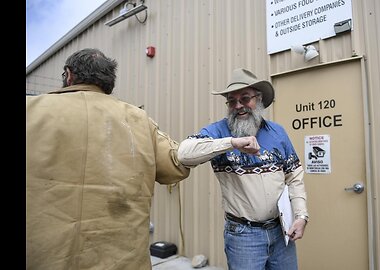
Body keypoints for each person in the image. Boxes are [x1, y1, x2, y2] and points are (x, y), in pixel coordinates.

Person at [26, 48, 190, 269]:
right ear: (109, 82)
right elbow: (174, 168)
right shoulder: (138, 119)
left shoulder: (31, 110)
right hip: (122, 262)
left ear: (69, 74)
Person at [177, 68, 309, 270]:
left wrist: (301, 216)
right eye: (232, 101)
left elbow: (294, 177)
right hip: (243, 235)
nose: (239, 106)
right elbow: (184, 153)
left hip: (281, 230)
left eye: (245, 98)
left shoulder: (278, 132)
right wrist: (232, 142)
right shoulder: (219, 131)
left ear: (259, 99)